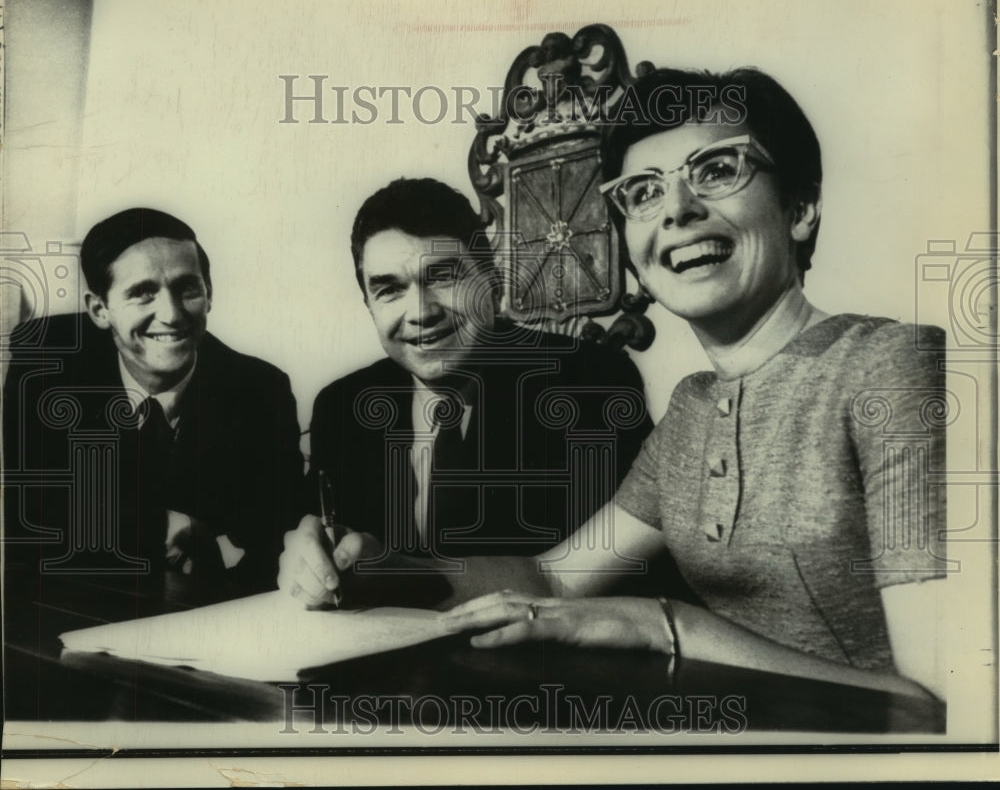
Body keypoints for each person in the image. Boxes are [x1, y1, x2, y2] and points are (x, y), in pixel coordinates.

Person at [357, 69, 946, 702]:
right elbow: (552, 582)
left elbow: (944, 707)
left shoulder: (894, 366)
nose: (676, 210)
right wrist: (378, 567)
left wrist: (666, 626)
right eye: (642, 192)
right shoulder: (692, 410)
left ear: (800, 209)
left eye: (718, 170)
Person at [278, 178, 655, 601]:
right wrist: (311, 558)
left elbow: (619, 576)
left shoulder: (592, 383)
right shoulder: (342, 406)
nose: (420, 312)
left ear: (491, 281)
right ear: (368, 305)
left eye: (442, 276)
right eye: (389, 290)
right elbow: (317, 545)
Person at [3, 207, 306, 590]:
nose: (171, 313)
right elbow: (25, 517)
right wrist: (162, 528)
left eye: (187, 289)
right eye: (142, 293)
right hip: (75, 601)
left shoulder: (261, 388)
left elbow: (280, 529)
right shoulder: (46, 361)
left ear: (209, 295)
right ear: (100, 310)